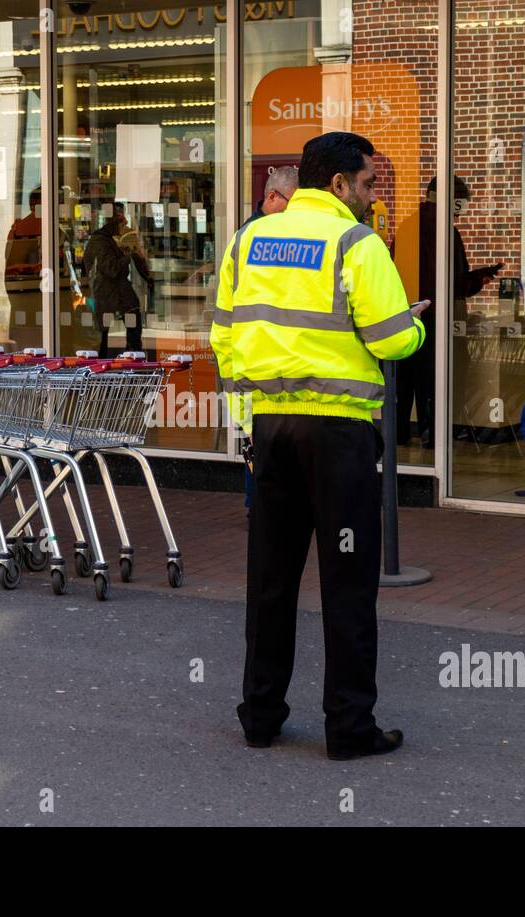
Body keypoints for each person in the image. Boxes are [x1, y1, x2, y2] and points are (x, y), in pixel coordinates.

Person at [210, 131, 426, 761]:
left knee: (270, 578)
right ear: (338, 184)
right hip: (338, 436)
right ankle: (349, 727)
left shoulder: (249, 239)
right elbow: (390, 341)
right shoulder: (355, 243)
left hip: (271, 429)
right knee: (349, 581)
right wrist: (412, 323)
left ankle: (260, 715)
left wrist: (245, 418)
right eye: (368, 182)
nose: (373, 193)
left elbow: (223, 335)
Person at [396, 175, 502, 448]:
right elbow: (454, 282)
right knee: (433, 377)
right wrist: (481, 277)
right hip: (438, 316)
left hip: (406, 312)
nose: (462, 211)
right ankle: (433, 434)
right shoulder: (446, 231)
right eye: (461, 204)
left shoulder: (408, 225)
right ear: (452, 201)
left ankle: (400, 433)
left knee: (407, 376)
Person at [237, 165, 300, 520]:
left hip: (273, 354)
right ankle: (257, 505)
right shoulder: (253, 236)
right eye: (291, 202)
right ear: (272, 196)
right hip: (258, 355)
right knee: (256, 437)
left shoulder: (275, 231)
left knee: (265, 437)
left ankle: (265, 503)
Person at [82, 202, 149, 356]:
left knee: (133, 330)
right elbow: (111, 269)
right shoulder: (99, 240)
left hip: (122, 296)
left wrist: (138, 253)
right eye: (120, 219)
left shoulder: (115, 238)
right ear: (109, 221)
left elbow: (143, 269)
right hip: (107, 297)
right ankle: (103, 368)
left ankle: (132, 360)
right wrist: (127, 252)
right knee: (103, 339)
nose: (125, 222)